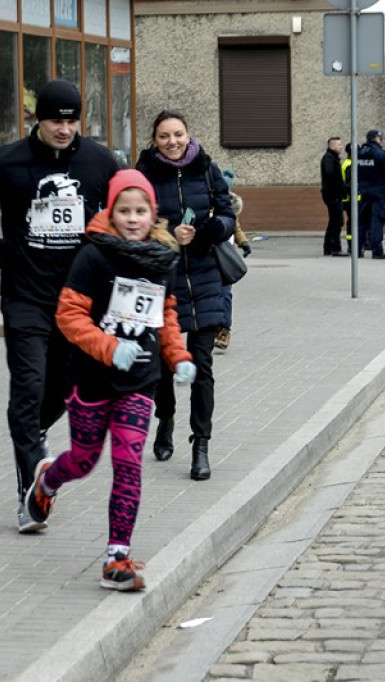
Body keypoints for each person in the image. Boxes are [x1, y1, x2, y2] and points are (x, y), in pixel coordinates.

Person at [0, 78, 121, 532]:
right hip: (26, 294)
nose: (64, 129)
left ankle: (34, 434)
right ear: (37, 120)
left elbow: (130, 213)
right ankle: (31, 493)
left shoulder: (100, 162)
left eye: (71, 121)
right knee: (27, 389)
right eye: (55, 121)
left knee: (66, 390)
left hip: (80, 300)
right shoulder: (7, 161)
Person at [24, 169, 196, 591]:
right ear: (111, 211)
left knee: (128, 462)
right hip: (91, 379)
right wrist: (108, 347)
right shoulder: (93, 256)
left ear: (153, 213)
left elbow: (166, 316)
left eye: (141, 211)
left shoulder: (162, 258)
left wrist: (178, 356)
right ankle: (47, 479)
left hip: (140, 380)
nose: (133, 218)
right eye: (125, 210)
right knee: (83, 461)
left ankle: (117, 558)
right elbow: (68, 315)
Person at [136, 110, 236, 481]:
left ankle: (201, 445)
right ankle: (166, 417)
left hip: (206, 278)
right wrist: (167, 236)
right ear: (154, 140)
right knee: (163, 362)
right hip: (163, 281)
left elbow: (228, 216)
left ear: (188, 135)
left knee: (202, 366)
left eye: (178, 134)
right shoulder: (142, 174)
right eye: (164, 136)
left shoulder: (207, 169)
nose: (172, 142)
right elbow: (132, 223)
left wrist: (210, 229)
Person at [214, 168, 251, 352]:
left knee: (225, 294)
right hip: (209, 257)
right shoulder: (206, 204)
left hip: (226, 259)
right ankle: (213, 327)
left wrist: (244, 243)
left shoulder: (228, 207)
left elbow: (236, 228)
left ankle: (224, 330)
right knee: (213, 295)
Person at [357, 129, 385, 259]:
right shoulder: (381, 154)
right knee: (376, 221)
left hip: (363, 192)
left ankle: (357, 249)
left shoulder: (360, 153)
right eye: (380, 138)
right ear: (375, 139)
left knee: (362, 221)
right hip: (379, 192)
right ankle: (377, 251)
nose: (381, 140)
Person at [320, 136, 348, 256]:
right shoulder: (329, 159)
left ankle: (330, 247)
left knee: (335, 221)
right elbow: (331, 175)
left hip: (333, 194)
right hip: (332, 195)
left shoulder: (332, 158)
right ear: (333, 146)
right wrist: (338, 190)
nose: (341, 147)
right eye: (339, 145)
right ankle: (334, 248)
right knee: (337, 221)